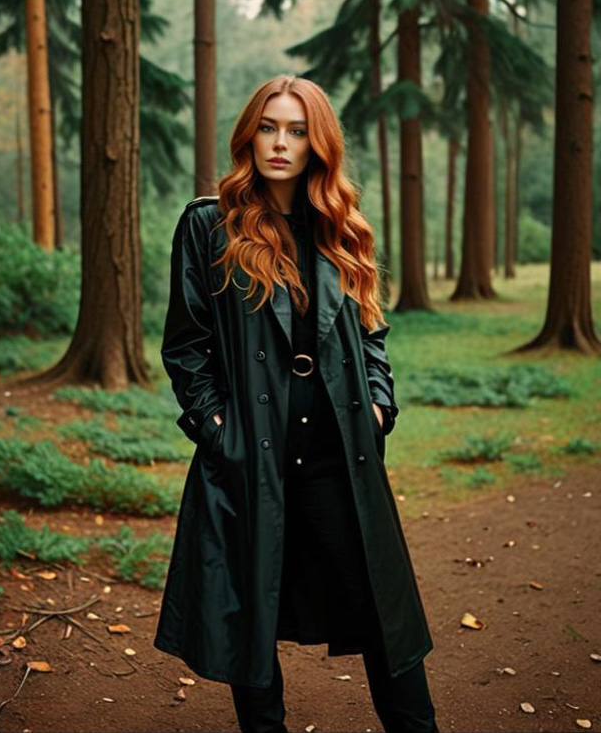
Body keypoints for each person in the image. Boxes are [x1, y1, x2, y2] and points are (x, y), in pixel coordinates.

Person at [154, 75, 440, 732]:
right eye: (268, 127)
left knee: (381, 608)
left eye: (296, 130)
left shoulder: (340, 229)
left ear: (318, 144)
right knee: (250, 612)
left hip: (339, 452)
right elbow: (185, 345)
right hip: (249, 449)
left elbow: (372, 338)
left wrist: (376, 407)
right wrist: (216, 427)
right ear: (248, 134)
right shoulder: (208, 226)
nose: (279, 143)